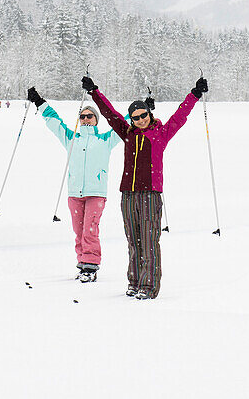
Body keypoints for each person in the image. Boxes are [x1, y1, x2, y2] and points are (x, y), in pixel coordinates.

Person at [81, 74, 208, 300]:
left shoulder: (160, 133)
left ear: (149, 115)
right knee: (133, 240)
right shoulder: (127, 134)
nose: (140, 120)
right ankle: (134, 281)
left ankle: (148, 286)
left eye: (143, 116)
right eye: (136, 117)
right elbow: (110, 114)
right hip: (128, 194)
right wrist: (94, 92)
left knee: (149, 241)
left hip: (150, 194)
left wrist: (194, 94)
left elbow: (180, 116)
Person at [26, 86, 118, 282]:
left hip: (96, 192)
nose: (85, 119)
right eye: (82, 117)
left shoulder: (106, 139)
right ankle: (82, 263)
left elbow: (124, 124)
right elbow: (54, 122)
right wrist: (39, 102)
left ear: (95, 120)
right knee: (78, 231)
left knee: (90, 229)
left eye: (89, 117)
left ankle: (91, 267)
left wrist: (144, 108)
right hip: (75, 193)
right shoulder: (71, 138)